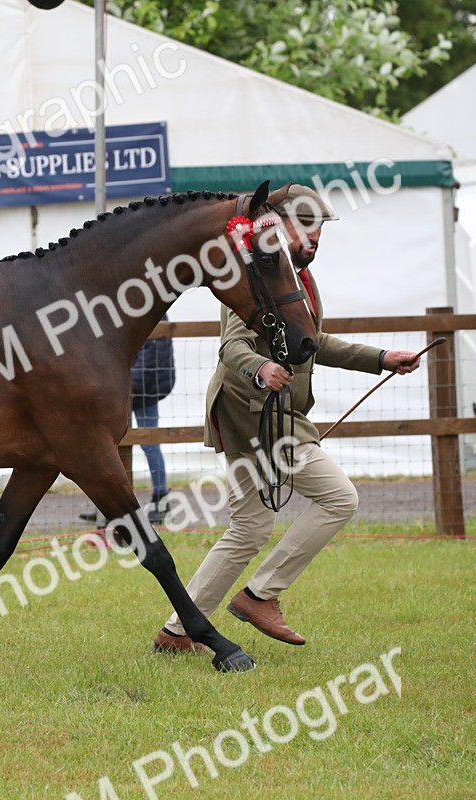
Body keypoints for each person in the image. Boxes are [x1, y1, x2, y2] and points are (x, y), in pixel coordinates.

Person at [153, 185, 421, 655]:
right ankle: (261, 597)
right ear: (277, 224)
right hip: (253, 413)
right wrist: (260, 368)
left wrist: (381, 358)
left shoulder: (298, 280)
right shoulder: (256, 273)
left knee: (249, 529)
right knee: (339, 498)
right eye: (306, 223)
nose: (316, 236)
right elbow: (233, 346)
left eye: (320, 227)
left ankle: (178, 633)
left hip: (263, 415)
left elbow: (315, 342)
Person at [80, 320, 176, 525]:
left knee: (149, 443)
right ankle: (109, 508)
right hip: (127, 390)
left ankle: (160, 499)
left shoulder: (152, 312)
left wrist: (121, 387)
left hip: (140, 391)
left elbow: (151, 359)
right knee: (112, 446)